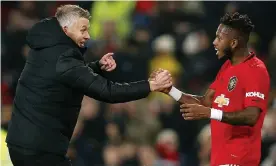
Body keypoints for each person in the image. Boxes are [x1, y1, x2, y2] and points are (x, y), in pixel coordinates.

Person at [6, 4, 172, 166]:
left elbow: (65, 75)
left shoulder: (44, 47)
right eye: (83, 30)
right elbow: (109, 92)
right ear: (66, 29)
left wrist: (97, 66)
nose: (88, 36)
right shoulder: (65, 58)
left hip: (20, 143)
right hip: (40, 149)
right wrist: (150, 86)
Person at [163, 12, 270, 166]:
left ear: (233, 43)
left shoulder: (256, 70)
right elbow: (206, 102)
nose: (214, 42)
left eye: (219, 38)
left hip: (240, 159)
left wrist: (210, 113)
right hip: (220, 159)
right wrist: (170, 90)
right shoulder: (227, 67)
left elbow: (252, 115)